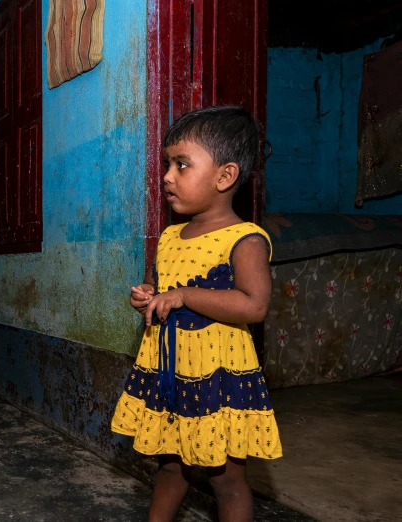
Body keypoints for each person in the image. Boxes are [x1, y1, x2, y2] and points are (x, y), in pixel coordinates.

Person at [111, 106, 282, 522]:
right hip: (169, 373)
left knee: (225, 480)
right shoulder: (170, 236)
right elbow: (168, 291)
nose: (168, 175)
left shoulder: (245, 239)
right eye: (168, 164)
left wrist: (186, 294)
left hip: (217, 378)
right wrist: (150, 297)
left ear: (224, 176)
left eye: (181, 164)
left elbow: (254, 305)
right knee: (169, 467)